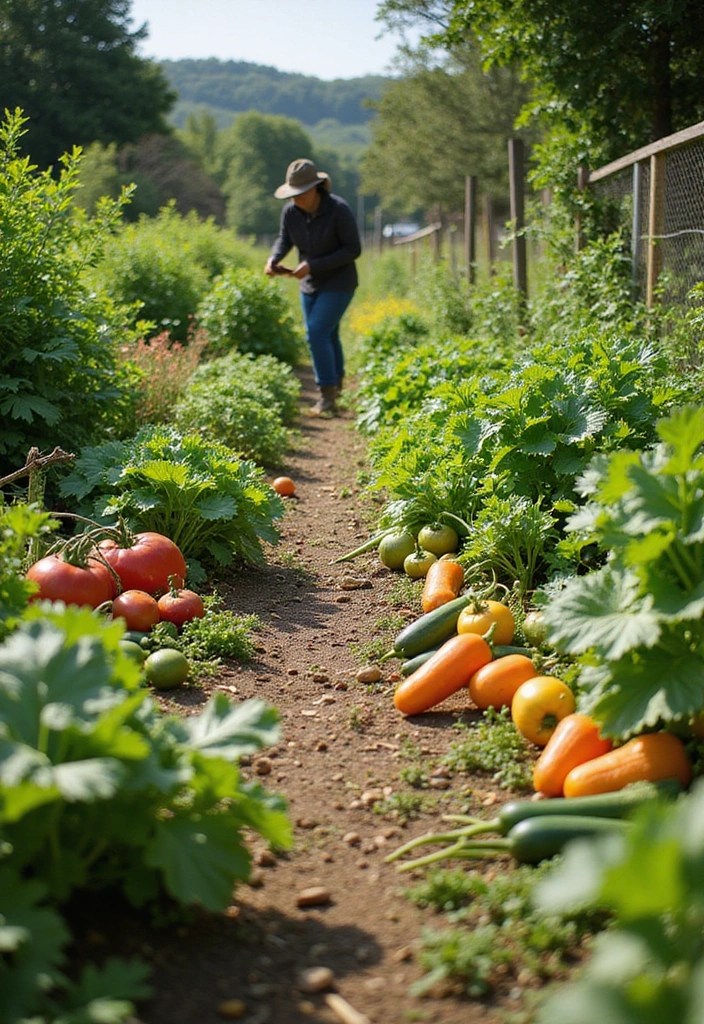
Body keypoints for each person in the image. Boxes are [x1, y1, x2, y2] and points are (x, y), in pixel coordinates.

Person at [265, 158, 362, 416]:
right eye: (292, 195)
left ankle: (326, 396)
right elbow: (284, 239)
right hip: (309, 285)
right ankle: (336, 386)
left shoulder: (339, 210)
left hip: (339, 282)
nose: (295, 200)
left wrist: (313, 265)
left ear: (315, 189)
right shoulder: (291, 212)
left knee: (316, 332)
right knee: (328, 335)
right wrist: (274, 258)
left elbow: (353, 249)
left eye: (300, 194)